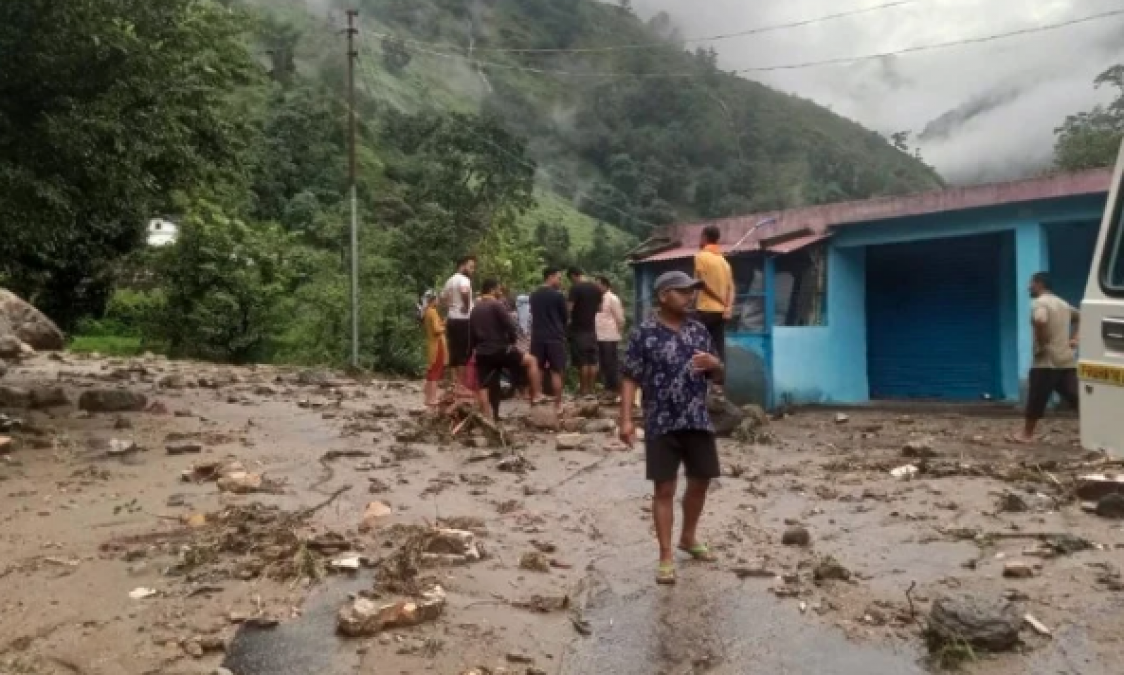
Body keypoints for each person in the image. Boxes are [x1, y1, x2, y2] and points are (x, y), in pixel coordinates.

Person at [619, 271, 724, 586]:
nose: (690, 297)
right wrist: (625, 419)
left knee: (702, 480)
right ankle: (665, 555)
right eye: (683, 292)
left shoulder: (699, 331)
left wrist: (714, 365)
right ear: (663, 296)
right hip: (661, 421)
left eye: (692, 291)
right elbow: (629, 377)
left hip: (697, 418)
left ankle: (688, 537)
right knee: (664, 489)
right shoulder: (645, 334)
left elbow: (717, 372)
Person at [1011, 272, 1080, 443]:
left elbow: (1040, 320)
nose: (1029, 287)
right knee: (1077, 398)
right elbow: (1081, 316)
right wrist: (1075, 340)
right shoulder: (1062, 303)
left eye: (1031, 283)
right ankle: (1097, 432)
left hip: (1046, 361)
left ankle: (1026, 435)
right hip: (1066, 360)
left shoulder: (1039, 303)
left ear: (1039, 284)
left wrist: (1041, 342)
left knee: (1036, 398)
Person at [470, 278, 542, 420]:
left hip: (482, 352)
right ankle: (537, 396)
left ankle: (489, 416)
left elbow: (471, 332)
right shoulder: (496, 305)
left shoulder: (475, 308)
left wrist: (474, 350)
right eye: (498, 289)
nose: (500, 291)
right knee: (531, 361)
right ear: (492, 290)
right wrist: (512, 341)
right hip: (500, 350)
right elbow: (510, 326)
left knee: (485, 384)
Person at [693, 225, 734, 364]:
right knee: (718, 349)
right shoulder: (724, 262)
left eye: (700, 237)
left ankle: (700, 381)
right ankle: (719, 382)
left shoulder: (701, 256)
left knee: (698, 346)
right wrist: (727, 306)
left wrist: (719, 299)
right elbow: (730, 288)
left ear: (704, 237)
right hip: (720, 312)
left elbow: (701, 283)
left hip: (705, 310)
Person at [530, 267, 569, 409]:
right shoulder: (558, 296)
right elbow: (565, 317)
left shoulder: (534, 295)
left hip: (537, 336)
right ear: (550, 277)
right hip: (555, 337)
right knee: (556, 371)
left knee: (537, 368)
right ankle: (558, 404)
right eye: (558, 278)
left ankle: (536, 399)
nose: (560, 281)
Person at [567, 267, 603, 398]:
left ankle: (583, 390)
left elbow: (569, 308)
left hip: (578, 330)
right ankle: (591, 390)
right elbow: (600, 308)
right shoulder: (596, 288)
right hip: (591, 329)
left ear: (573, 276)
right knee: (592, 361)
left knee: (582, 361)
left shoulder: (575, 288)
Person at [442, 256, 476, 386]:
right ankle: (462, 384)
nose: (472, 270)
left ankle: (453, 383)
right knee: (463, 353)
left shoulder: (449, 280)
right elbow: (464, 291)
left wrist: (451, 306)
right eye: (471, 267)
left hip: (452, 319)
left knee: (454, 351)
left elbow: (443, 297)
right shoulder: (464, 280)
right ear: (462, 266)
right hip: (463, 320)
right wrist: (466, 306)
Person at [595, 275, 626, 398]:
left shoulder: (613, 298)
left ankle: (614, 388)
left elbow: (620, 318)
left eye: (598, 284)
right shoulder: (597, 299)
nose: (596, 287)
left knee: (611, 363)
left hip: (610, 335)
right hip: (599, 335)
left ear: (605, 285)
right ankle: (607, 388)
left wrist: (618, 331)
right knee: (603, 363)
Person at [419, 290, 445, 407]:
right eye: (437, 298)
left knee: (431, 372)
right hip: (437, 345)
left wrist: (443, 323)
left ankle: (427, 398)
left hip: (431, 344)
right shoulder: (433, 312)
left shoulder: (426, 312)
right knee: (435, 372)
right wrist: (446, 326)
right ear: (433, 300)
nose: (438, 300)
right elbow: (437, 330)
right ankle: (432, 398)